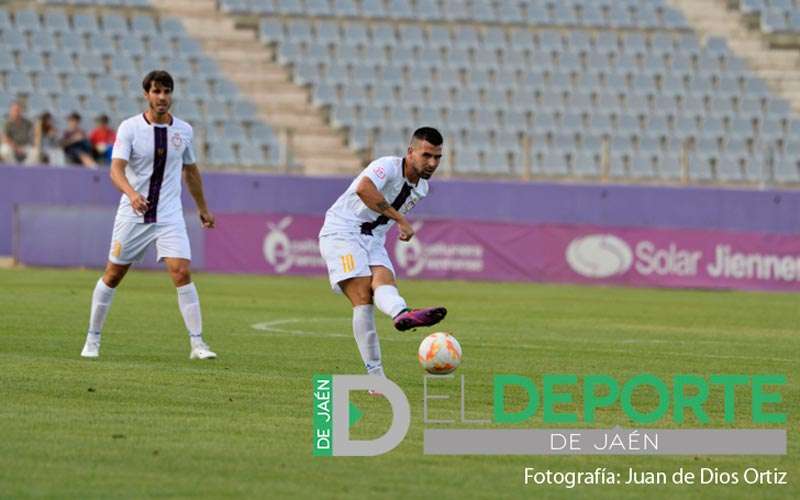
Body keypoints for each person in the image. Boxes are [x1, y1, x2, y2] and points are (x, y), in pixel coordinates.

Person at [81, 70, 217, 360]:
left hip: (169, 215)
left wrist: (202, 208)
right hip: (133, 215)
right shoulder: (129, 128)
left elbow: (190, 171)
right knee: (113, 274)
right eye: (156, 92)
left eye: (167, 91)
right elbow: (115, 169)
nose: (162, 97)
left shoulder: (184, 131)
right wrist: (132, 195)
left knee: (181, 271)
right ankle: (92, 338)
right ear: (146, 94)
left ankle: (198, 344)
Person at [318, 127, 448, 379]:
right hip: (342, 231)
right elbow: (364, 189)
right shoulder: (386, 166)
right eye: (426, 155)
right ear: (410, 152)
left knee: (385, 281)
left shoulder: (422, 189)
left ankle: (402, 314)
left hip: (373, 238)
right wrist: (400, 220)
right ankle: (375, 377)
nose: (432, 163)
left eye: (437, 158)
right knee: (363, 297)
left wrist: (394, 223)